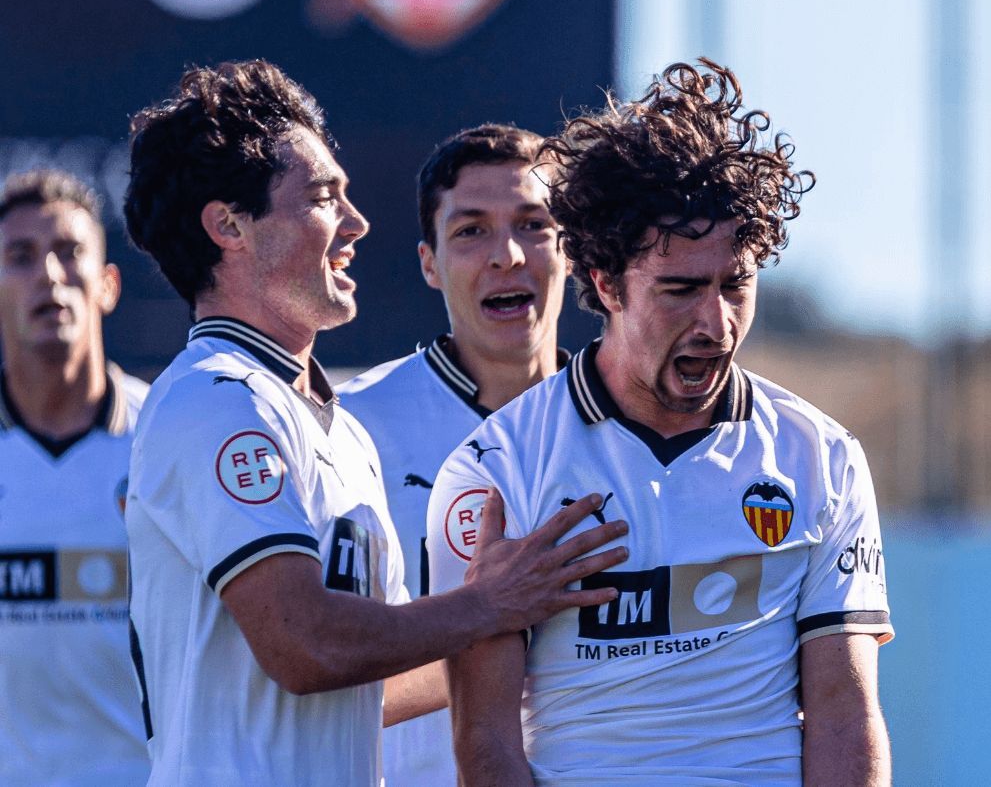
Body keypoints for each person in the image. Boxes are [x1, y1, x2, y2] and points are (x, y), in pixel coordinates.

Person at [121, 59, 627, 786]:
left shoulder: (334, 424)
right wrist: (490, 601)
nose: (357, 224)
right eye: (326, 198)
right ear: (229, 226)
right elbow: (306, 646)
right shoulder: (215, 399)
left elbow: (374, 683)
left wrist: (573, 648)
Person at [427, 60, 893, 786]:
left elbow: (845, 711)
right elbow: (484, 741)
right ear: (607, 284)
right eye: (680, 289)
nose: (716, 321)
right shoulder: (496, 470)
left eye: (735, 284)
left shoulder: (819, 456)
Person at [338, 123, 568, 786]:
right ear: (429, 263)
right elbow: (325, 676)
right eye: (471, 231)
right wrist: (503, 626)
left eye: (533, 225)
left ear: (572, 248)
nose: (507, 256)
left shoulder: (622, 428)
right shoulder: (350, 428)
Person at [0, 169, 150, 785]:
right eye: (21, 257)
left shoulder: (168, 436)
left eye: (70, 252)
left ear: (108, 284)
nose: (51, 276)